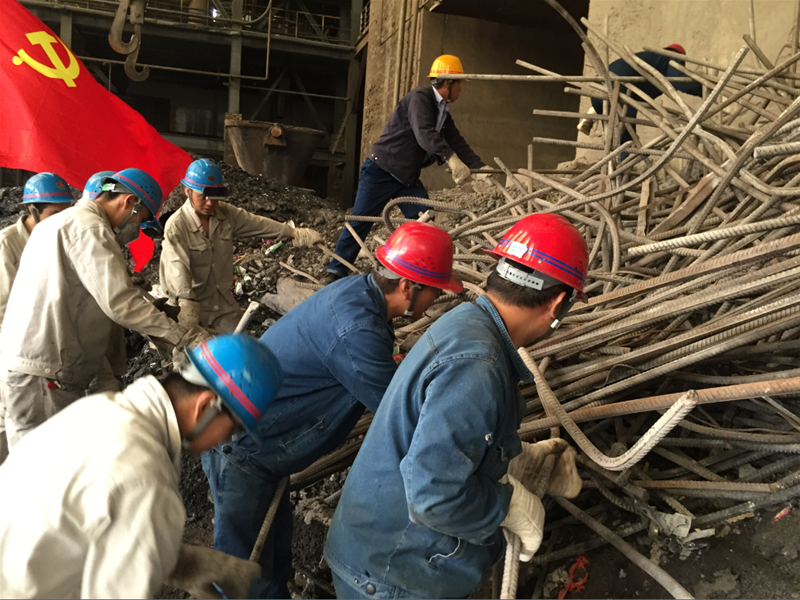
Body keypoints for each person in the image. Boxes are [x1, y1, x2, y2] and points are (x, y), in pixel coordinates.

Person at [324, 214, 589, 599]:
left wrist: (511, 463)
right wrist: (507, 506)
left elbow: (441, 440)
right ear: (559, 304)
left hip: (377, 555)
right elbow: (435, 496)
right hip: (391, 576)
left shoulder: (467, 324)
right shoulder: (477, 364)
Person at [202, 221, 463, 598]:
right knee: (242, 577)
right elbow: (404, 418)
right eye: (435, 291)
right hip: (243, 449)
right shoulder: (356, 331)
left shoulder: (359, 295)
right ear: (408, 286)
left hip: (260, 446)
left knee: (271, 565)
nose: (436, 300)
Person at [0, 334, 283, 599]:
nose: (224, 441)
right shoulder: (146, 479)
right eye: (233, 429)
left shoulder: (100, 410)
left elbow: (82, 522)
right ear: (207, 406)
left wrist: (181, 563)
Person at [0, 168, 209, 447]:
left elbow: (82, 294)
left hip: (36, 369)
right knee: (46, 464)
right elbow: (120, 302)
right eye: (140, 220)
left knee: (39, 462)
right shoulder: (90, 228)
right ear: (129, 202)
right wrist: (184, 336)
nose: (136, 231)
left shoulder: (60, 223)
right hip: (44, 374)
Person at [323, 55, 489, 284]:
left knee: (425, 222)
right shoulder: (420, 98)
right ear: (448, 83)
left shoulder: (442, 112)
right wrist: (450, 159)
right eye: (459, 83)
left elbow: (457, 142)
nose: (461, 90)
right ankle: (335, 272)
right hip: (381, 170)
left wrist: (481, 168)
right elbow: (424, 133)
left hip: (406, 177)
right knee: (361, 220)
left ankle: (416, 273)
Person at [159, 158, 323, 333]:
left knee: (240, 346)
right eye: (204, 196)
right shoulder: (176, 226)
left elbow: (256, 223)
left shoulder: (225, 214)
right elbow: (177, 269)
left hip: (222, 305)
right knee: (191, 349)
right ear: (188, 191)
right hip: (191, 307)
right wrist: (186, 307)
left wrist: (292, 232)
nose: (210, 203)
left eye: (215, 196)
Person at [0, 173, 74, 464]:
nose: (62, 220)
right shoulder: (8, 245)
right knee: (11, 428)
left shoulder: (59, 239)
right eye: (55, 213)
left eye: (66, 212)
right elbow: (4, 309)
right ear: (32, 210)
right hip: (15, 352)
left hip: (45, 353)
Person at [578, 44, 702, 147]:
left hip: (599, 87)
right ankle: (622, 168)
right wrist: (704, 89)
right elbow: (682, 82)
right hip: (618, 89)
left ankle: (594, 111)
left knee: (614, 136)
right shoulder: (669, 58)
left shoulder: (651, 59)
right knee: (625, 139)